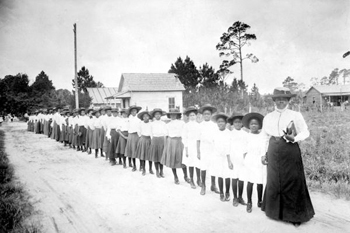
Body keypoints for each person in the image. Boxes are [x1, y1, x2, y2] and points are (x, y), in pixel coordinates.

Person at [261, 87, 314, 226]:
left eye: (284, 99)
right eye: (278, 99)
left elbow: (306, 132)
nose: (281, 102)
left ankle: (295, 216)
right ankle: (275, 212)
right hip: (273, 148)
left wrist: (294, 138)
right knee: (274, 179)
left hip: (289, 148)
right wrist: (263, 153)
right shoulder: (268, 117)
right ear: (274, 100)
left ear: (288, 100)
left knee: (292, 180)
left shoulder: (295, 115)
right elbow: (264, 137)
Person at [240, 112, 265, 213]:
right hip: (250, 159)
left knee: (260, 181)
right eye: (251, 124)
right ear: (249, 126)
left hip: (259, 159)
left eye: (256, 124)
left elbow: (264, 147)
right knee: (250, 181)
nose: (254, 126)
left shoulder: (262, 136)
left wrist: (263, 157)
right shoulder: (247, 136)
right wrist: (246, 160)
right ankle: (249, 202)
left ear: (259, 126)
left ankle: (260, 200)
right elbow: (244, 149)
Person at [197, 104, 220, 195]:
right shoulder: (200, 125)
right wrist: (198, 152)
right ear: (202, 115)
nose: (207, 116)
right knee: (203, 167)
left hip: (212, 148)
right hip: (204, 148)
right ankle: (203, 186)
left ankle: (213, 185)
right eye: (205, 114)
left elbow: (217, 139)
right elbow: (198, 140)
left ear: (211, 115)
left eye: (208, 114)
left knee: (213, 167)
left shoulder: (214, 125)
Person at [161, 108, 188, 185]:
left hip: (180, 141)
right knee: (172, 159)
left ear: (177, 115)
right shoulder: (167, 125)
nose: (173, 116)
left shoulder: (182, 123)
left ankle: (186, 176)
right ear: (169, 115)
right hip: (171, 142)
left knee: (182, 159)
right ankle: (175, 177)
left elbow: (185, 133)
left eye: (174, 114)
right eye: (171, 114)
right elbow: (166, 135)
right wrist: (166, 146)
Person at [210, 113, 233, 201]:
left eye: (222, 121)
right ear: (217, 123)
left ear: (225, 122)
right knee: (219, 175)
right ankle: (221, 193)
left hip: (227, 157)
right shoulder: (215, 133)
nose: (220, 123)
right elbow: (213, 145)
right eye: (219, 122)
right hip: (217, 156)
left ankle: (227, 192)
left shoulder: (229, 133)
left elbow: (230, 146)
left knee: (227, 175)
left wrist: (229, 160)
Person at [228, 113, 248, 206]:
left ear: (242, 123)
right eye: (235, 122)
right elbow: (227, 148)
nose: (237, 124)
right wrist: (229, 161)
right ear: (233, 123)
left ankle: (240, 197)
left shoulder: (245, 134)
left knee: (242, 178)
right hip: (233, 158)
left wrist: (246, 159)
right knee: (234, 178)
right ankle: (235, 197)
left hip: (242, 159)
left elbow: (247, 147)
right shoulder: (230, 134)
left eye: (239, 122)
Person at [182, 106, 201, 189]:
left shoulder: (199, 125)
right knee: (191, 163)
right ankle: (192, 180)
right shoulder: (186, 126)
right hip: (189, 146)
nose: (192, 117)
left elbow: (200, 137)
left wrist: (199, 149)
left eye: (193, 115)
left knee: (198, 163)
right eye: (190, 115)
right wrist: (186, 149)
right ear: (188, 117)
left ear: (196, 116)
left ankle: (198, 180)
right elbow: (184, 137)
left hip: (197, 146)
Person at [149, 108, 167, 178]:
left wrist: (164, 140)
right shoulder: (152, 124)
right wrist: (153, 140)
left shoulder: (163, 123)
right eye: (156, 114)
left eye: (159, 114)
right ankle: (157, 171)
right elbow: (150, 133)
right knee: (155, 156)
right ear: (154, 115)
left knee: (161, 156)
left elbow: (165, 133)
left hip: (161, 139)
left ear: (161, 115)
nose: (157, 116)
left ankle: (161, 171)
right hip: (155, 139)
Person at [135, 110, 152, 175]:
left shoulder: (151, 124)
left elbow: (152, 132)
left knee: (150, 155)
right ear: (142, 117)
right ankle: (143, 169)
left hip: (149, 139)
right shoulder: (140, 124)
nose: (145, 117)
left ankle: (150, 169)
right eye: (144, 116)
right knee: (143, 155)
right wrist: (141, 138)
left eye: (147, 116)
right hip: (143, 139)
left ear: (149, 117)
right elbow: (138, 132)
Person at [125, 105, 142, 171]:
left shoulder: (139, 120)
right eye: (132, 111)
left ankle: (141, 166)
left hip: (137, 135)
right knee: (132, 151)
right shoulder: (128, 119)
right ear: (130, 112)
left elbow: (140, 128)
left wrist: (140, 136)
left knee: (139, 151)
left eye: (134, 111)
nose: (133, 112)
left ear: (136, 112)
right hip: (131, 136)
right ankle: (134, 166)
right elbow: (127, 128)